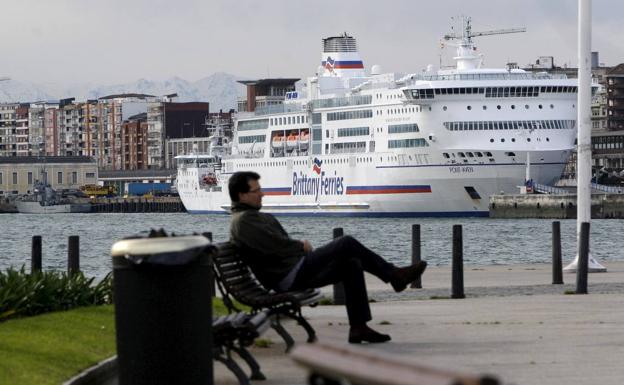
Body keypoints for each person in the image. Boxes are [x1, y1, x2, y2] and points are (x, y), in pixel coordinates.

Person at [228, 171, 427, 344]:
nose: (262, 194)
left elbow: (276, 244)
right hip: (288, 276)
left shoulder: (255, 217)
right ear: (242, 195)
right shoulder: (244, 221)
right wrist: (301, 245)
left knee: (351, 264)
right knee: (346, 243)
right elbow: (274, 246)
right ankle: (395, 275)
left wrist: (300, 250)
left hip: (294, 270)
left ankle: (359, 327)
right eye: (256, 191)